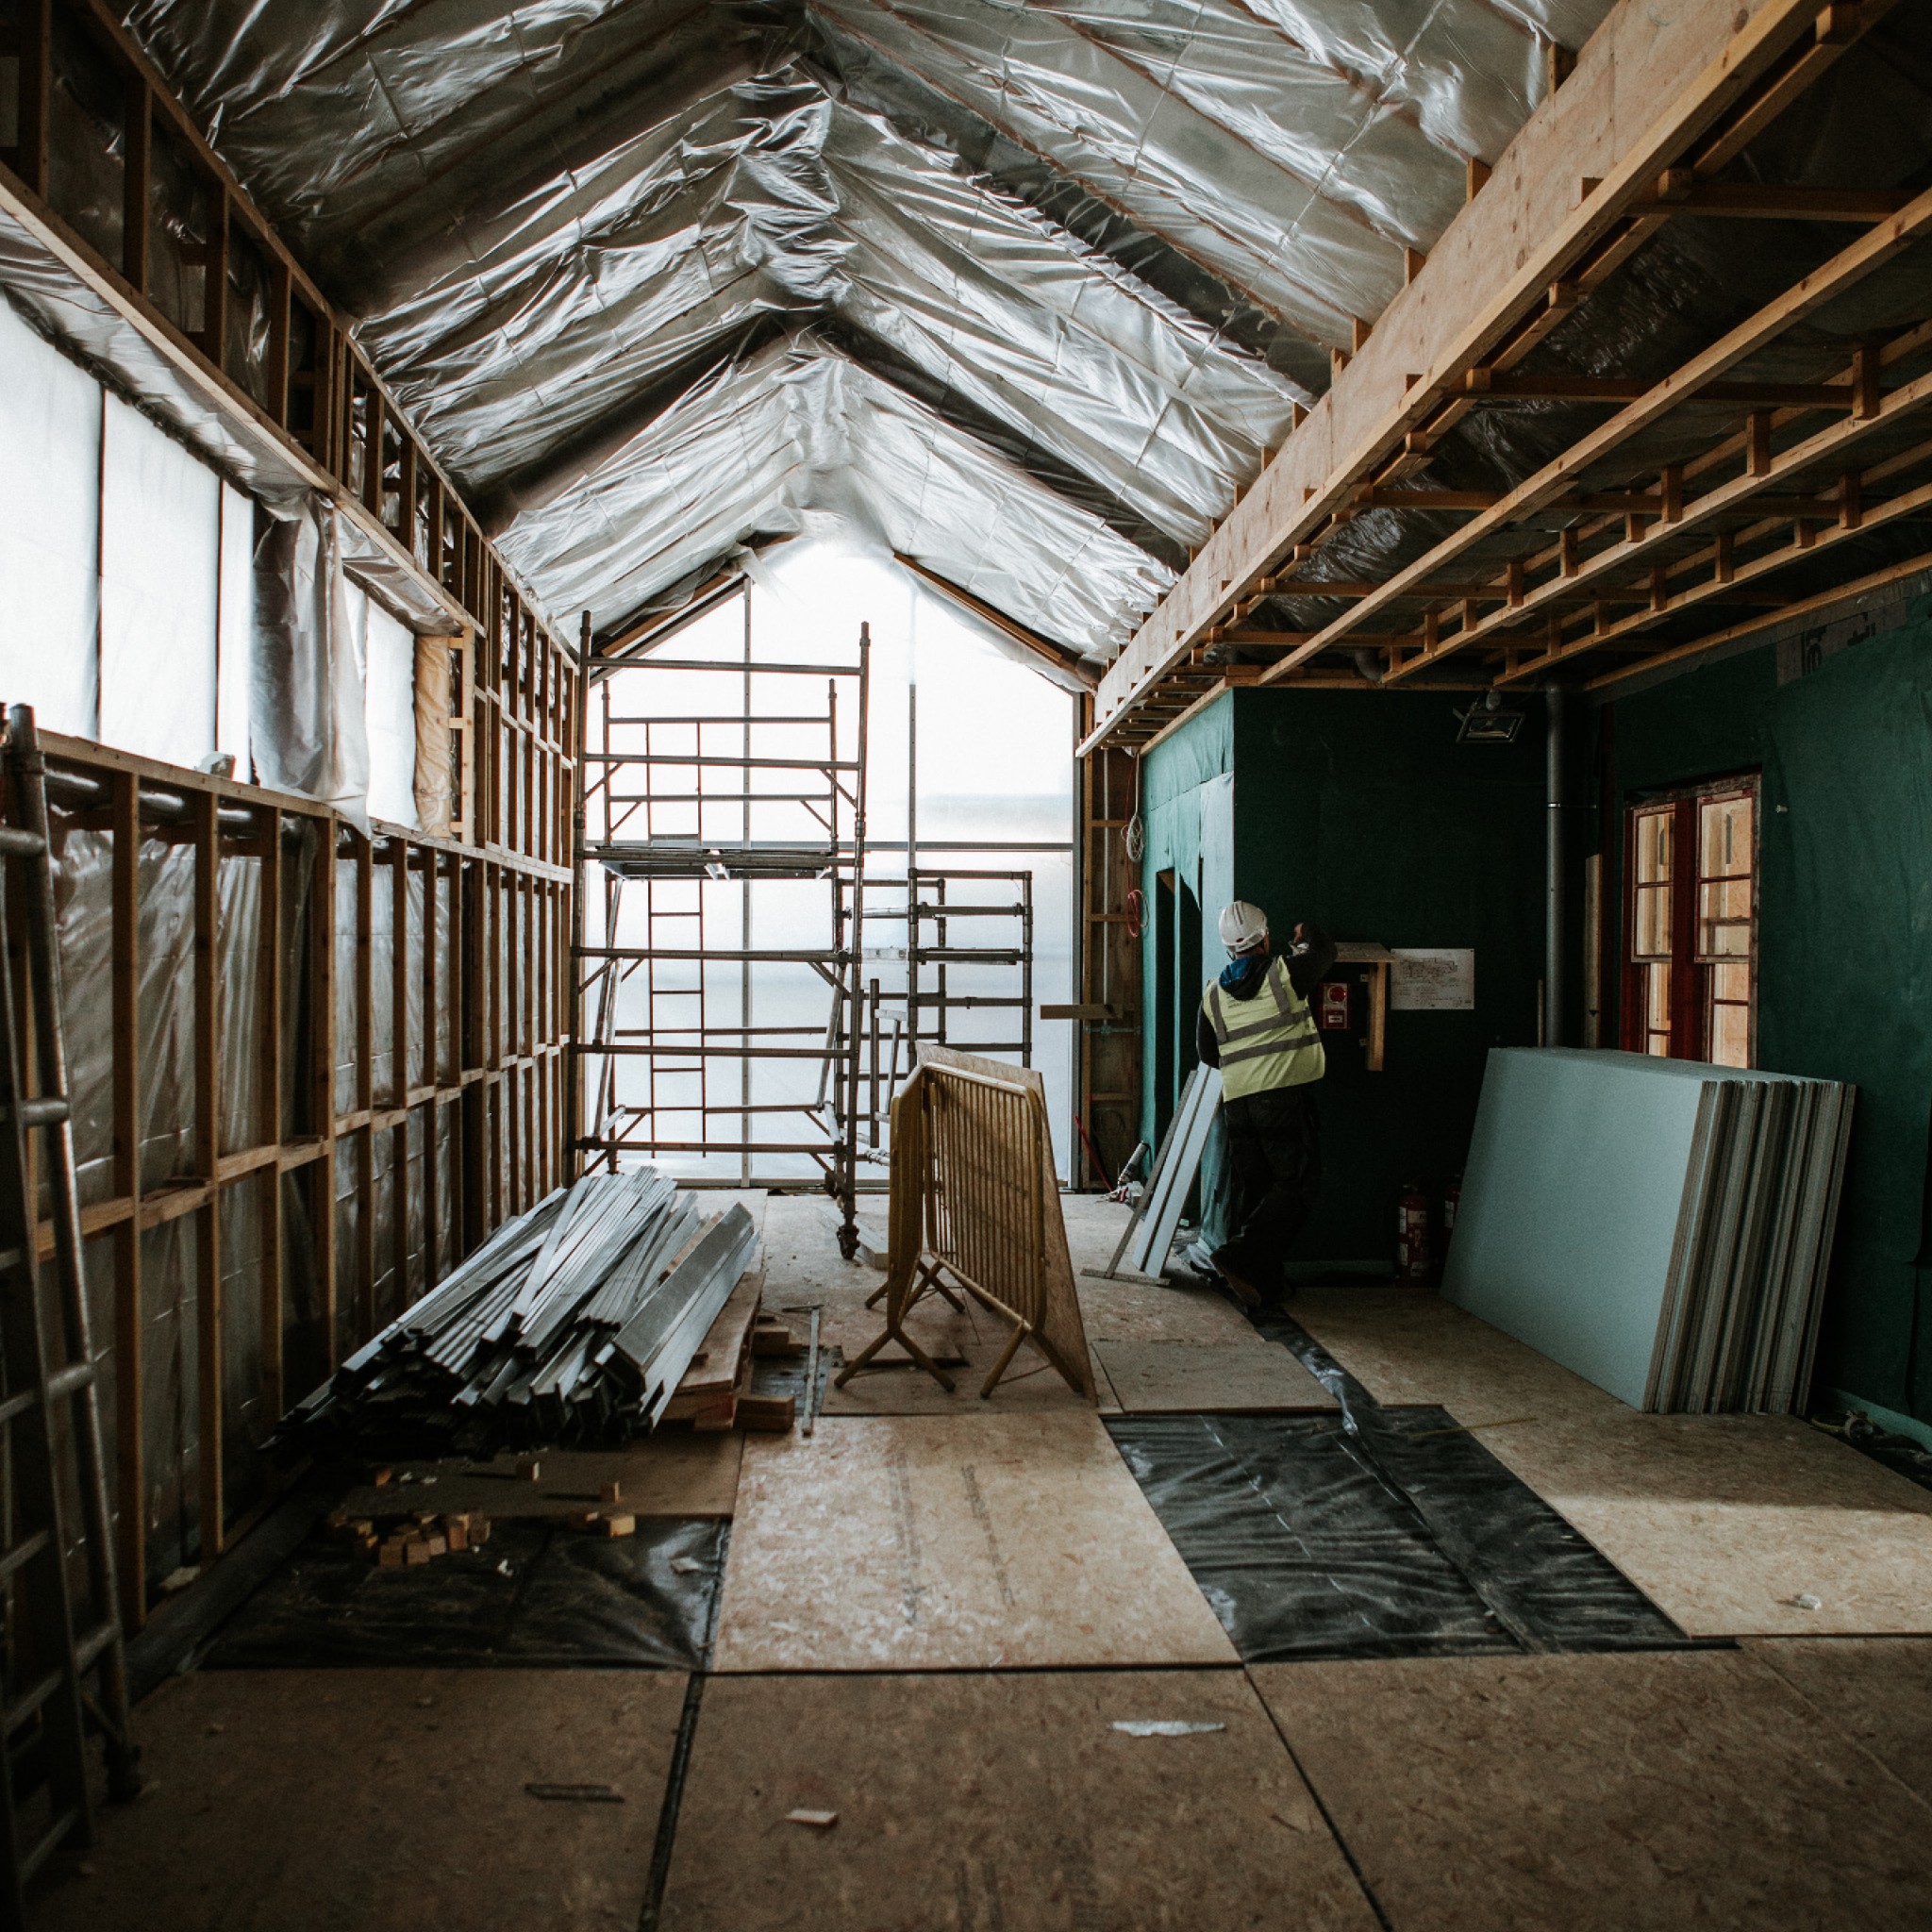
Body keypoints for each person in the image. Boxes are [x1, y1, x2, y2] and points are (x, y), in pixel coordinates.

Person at [1195, 899, 1335, 1306]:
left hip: (1238, 1107)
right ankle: (1238, 1258)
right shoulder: (1285, 974)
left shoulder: (1212, 995)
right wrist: (1305, 931)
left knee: (1258, 1195)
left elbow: (1207, 1054)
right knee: (1297, 1184)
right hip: (1282, 1100)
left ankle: (1263, 1286)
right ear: (1265, 937)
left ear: (1228, 948)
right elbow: (1325, 952)